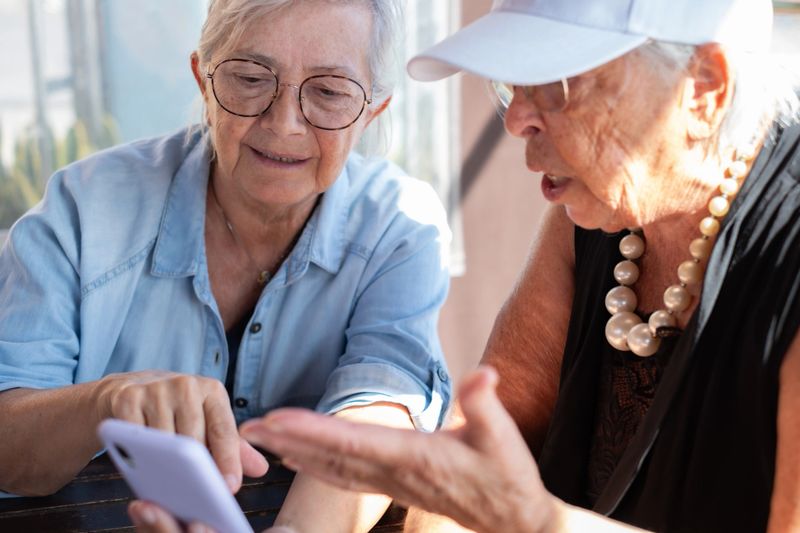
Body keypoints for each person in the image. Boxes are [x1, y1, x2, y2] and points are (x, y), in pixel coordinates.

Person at [185, 0, 800, 532]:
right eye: (511, 84)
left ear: (704, 89)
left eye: (556, 84)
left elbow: (501, 505)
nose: (515, 119)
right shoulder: (596, 210)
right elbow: (477, 455)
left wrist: (534, 524)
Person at [0, 0, 453, 531]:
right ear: (203, 79)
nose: (284, 125)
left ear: (372, 110)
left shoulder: (401, 228)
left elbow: (381, 413)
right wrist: (107, 402)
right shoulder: (82, 211)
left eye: (329, 91)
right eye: (250, 78)